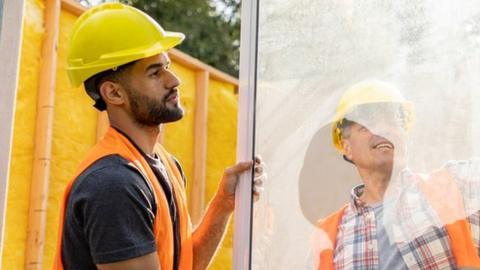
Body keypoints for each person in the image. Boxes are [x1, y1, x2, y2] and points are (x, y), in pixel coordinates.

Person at [53, 3, 265, 270]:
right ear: (114, 93)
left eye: (167, 66)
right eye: (155, 72)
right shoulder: (114, 185)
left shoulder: (164, 165)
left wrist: (223, 203)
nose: (174, 79)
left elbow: (185, 264)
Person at [313, 80, 480, 269]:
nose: (384, 129)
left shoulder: (457, 186)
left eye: (394, 121)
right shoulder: (328, 238)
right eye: (368, 124)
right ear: (347, 147)